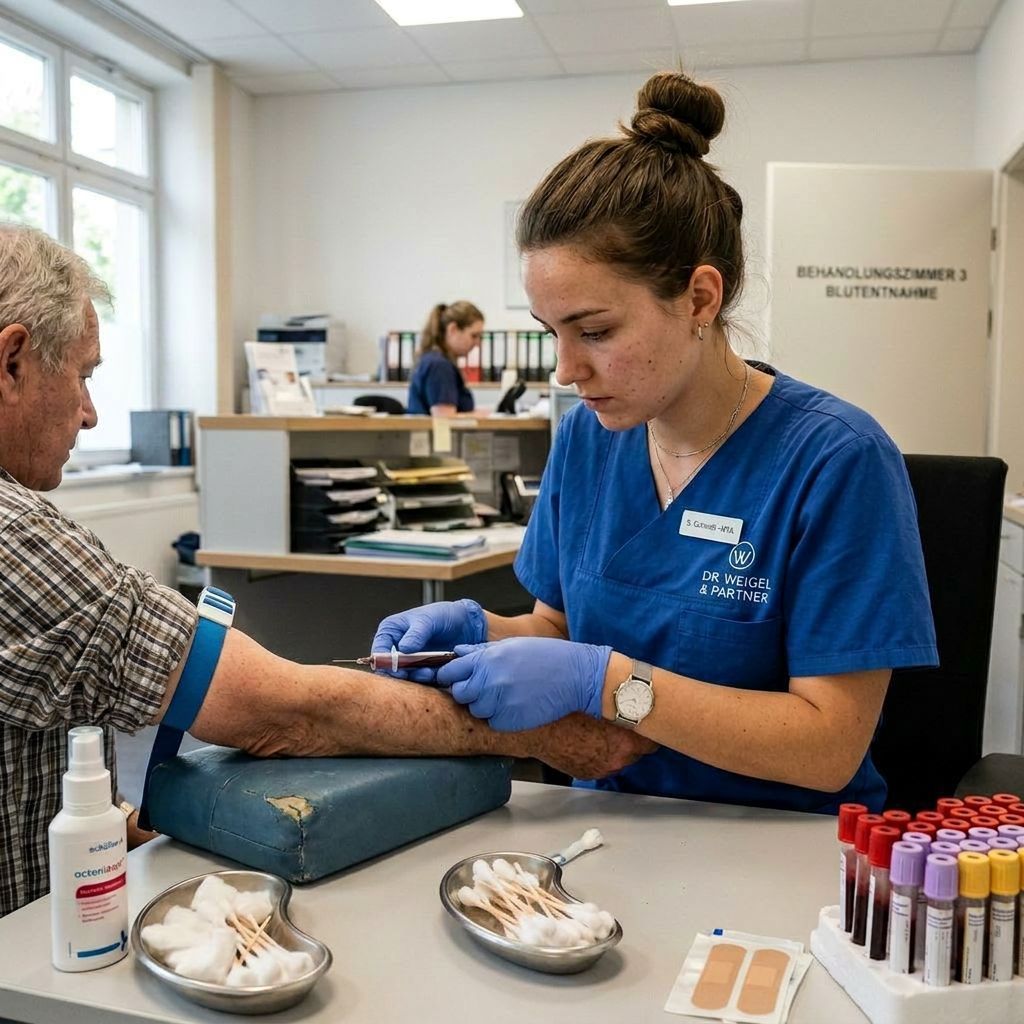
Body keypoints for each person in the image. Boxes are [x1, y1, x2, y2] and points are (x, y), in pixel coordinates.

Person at [0, 225, 653, 917]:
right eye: (84, 376)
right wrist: (535, 733)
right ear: (12, 362)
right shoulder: (15, 535)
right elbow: (279, 710)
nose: (91, 413)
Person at [373, 70, 938, 815]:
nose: (567, 370)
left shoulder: (835, 461)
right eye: (552, 333)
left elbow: (828, 745)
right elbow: (557, 629)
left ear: (700, 298)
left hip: (777, 843)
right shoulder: (587, 438)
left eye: (595, 331)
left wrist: (605, 684)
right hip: (603, 825)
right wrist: (480, 633)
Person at [406, 301, 483, 415]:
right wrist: (481, 417)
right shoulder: (440, 366)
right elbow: (444, 419)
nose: (478, 343)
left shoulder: (434, 360)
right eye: (474, 336)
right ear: (453, 329)